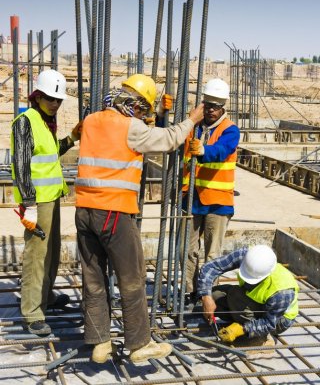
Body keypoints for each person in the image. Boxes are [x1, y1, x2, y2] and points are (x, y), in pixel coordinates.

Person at [74, 73, 204, 364]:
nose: (144, 115)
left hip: (83, 212)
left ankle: (100, 342)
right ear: (137, 105)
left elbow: (131, 137)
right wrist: (191, 120)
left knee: (93, 279)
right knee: (131, 278)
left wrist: (157, 115)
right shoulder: (130, 126)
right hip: (114, 213)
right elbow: (168, 139)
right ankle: (138, 345)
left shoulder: (92, 120)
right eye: (144, 109)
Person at [11, 69, 83, 335]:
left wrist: (72, 138)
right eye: (51, 98)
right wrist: (28, 205)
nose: (55, 103)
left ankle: (46, 296)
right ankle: (31, 312)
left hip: (51, 199)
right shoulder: (25, 121)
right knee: (36, 257)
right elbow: (19, 165)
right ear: (38, 96)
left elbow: (51, 153)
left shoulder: (45, 122)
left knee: (51, 254)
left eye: (59, 100)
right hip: (36, 202)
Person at [182, 78, 240, 301]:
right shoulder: (192, 125)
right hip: (191, 199)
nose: (211, 110)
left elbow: (222, 150)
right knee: (185, 251)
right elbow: (172, 137)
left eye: (215, 107)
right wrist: (160, 116)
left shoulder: (230, 130)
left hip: (218, 202)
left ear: (223, 107)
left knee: (212, 255)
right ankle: (190, 291)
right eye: (207, 105)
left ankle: (208, 295)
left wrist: (203, 150)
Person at [197, 245, 299, 347]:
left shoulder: (282, 291)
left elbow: (269, 323)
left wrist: (242, 329)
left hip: (278, 321)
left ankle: (259, 339)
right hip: (255, 304)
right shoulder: (247, 256)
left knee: (235, 296)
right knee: (215, 296)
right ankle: (244, 323)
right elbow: (210, 267)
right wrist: (206, 297)